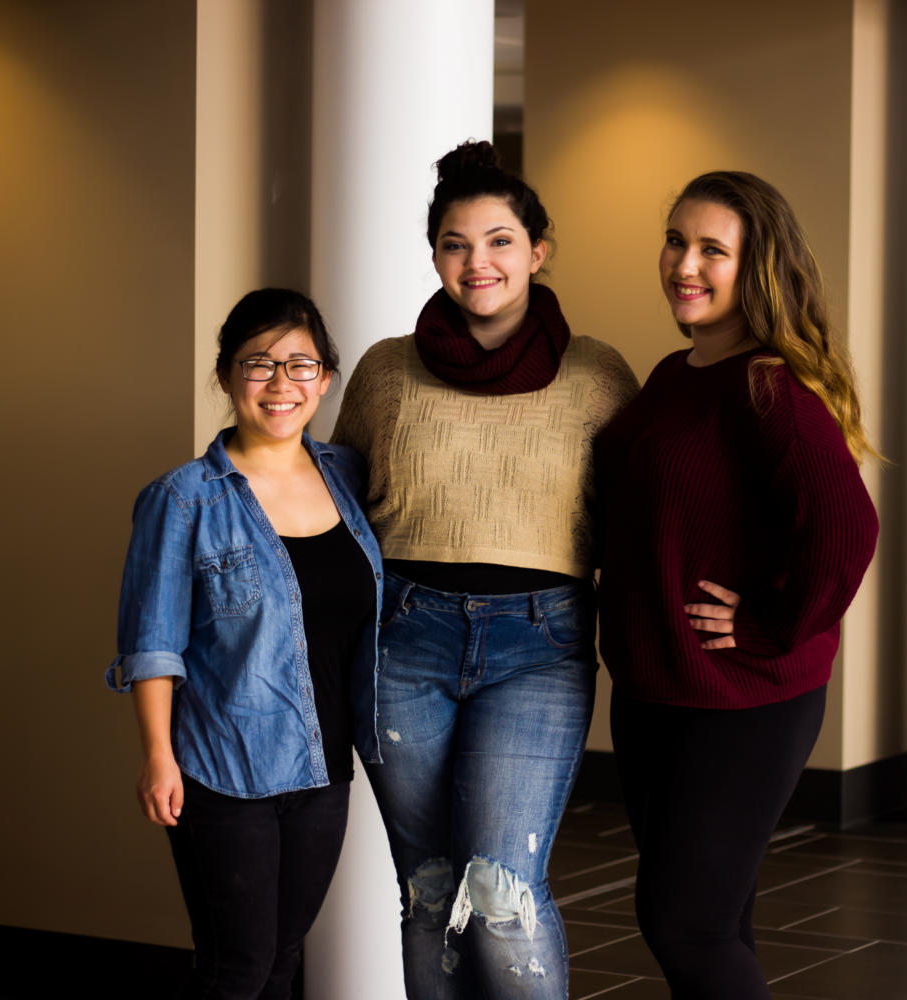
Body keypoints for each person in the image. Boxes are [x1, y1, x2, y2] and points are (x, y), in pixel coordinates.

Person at [332, 140, 639, 999]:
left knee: (502, 896)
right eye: (457, 244)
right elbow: (339, 515)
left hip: (539, 646)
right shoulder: (386, 371)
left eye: (500, 241)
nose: (479, 263)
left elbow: (648, 513)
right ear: (434, 254)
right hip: (403, 643)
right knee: (430, 895)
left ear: (538, 251)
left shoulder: (597, 375)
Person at [593, 171, 880, 998]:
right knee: (717, 924)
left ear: (754, 268)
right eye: (676, 241)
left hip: (741, 698)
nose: (685, 263)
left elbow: (848, 527)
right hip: (655, 689)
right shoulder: (675, 375)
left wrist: (773, 625)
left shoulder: (770, 386)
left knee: (684, 922)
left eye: (711, 249)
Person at [107, 288, 381, 999]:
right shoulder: (183, 498)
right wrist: (159, 759)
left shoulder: (349, 478)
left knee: (286, 958)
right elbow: (152, 643)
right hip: (221, 768)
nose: (281, 383)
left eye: (300, 364)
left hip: (324, 767)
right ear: (227, 376)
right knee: (238, 967)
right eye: (259, 364)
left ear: (325, 378)